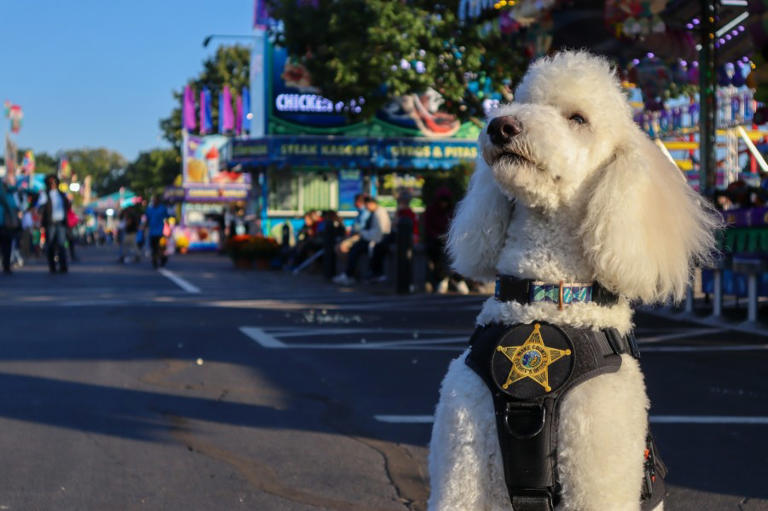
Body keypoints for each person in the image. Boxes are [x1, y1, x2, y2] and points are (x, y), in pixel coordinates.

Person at [333, 196, 391, 285]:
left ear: (371, 204)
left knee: (354, 248)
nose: (366, 208)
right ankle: (349, 273)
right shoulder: (375, 212)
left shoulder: (379, 213)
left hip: (377, 240)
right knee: (354, 248)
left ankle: (350, 274)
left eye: (367, 205)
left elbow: (379, 232)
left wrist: (362, 233)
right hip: (372, 238)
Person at [37, 174, 70, 273]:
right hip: (50, 223)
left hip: (61, 222)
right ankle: (52, 266)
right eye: (51, 182)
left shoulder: (61, 194)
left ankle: (63, 266)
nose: (53, 184)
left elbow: (67, 206)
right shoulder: (45, 194)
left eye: (54, 182)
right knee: (50, 245)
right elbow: (40, 208)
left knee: (61, 245)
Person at [0, 180, 20, 274]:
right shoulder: (8, 197)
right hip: (6, 224)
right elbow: (14, 209)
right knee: (6, 246)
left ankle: (6, 265)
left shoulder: (8, 196)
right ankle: (6, 265)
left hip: (5, 224)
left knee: (6, 245)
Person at [144, 195, 169, 269]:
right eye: (153, 200)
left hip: (161, 232)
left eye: (155, 200)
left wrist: (168, 229)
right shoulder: (149, 209)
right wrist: (143, 228)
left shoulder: (162, 208)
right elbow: (147, 219)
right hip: (152, 233)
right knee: (154, 248)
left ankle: (163, 258)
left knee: (161, 247)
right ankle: (155, 261)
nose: (154, 201)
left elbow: (166, 219)